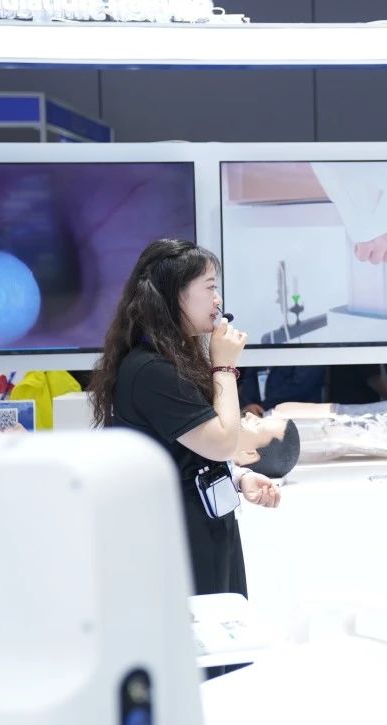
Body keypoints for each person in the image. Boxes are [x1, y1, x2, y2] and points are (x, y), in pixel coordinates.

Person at [90, 238, 281, 599]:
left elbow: (193, 451)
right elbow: (223, 441)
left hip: (201, 523)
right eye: (209, 287)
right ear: (175, 294)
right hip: (178, 538)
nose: (218, 300)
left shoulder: (172, 358)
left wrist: (239, 477)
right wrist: (224, 366)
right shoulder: (151, 369)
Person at [239, 366, 327, 416]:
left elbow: (301, 385)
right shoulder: (260, 346)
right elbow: (249, 380)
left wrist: (263, 408)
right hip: (259, 419)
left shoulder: (306, 345)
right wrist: (248, 405)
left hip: (297, 418)